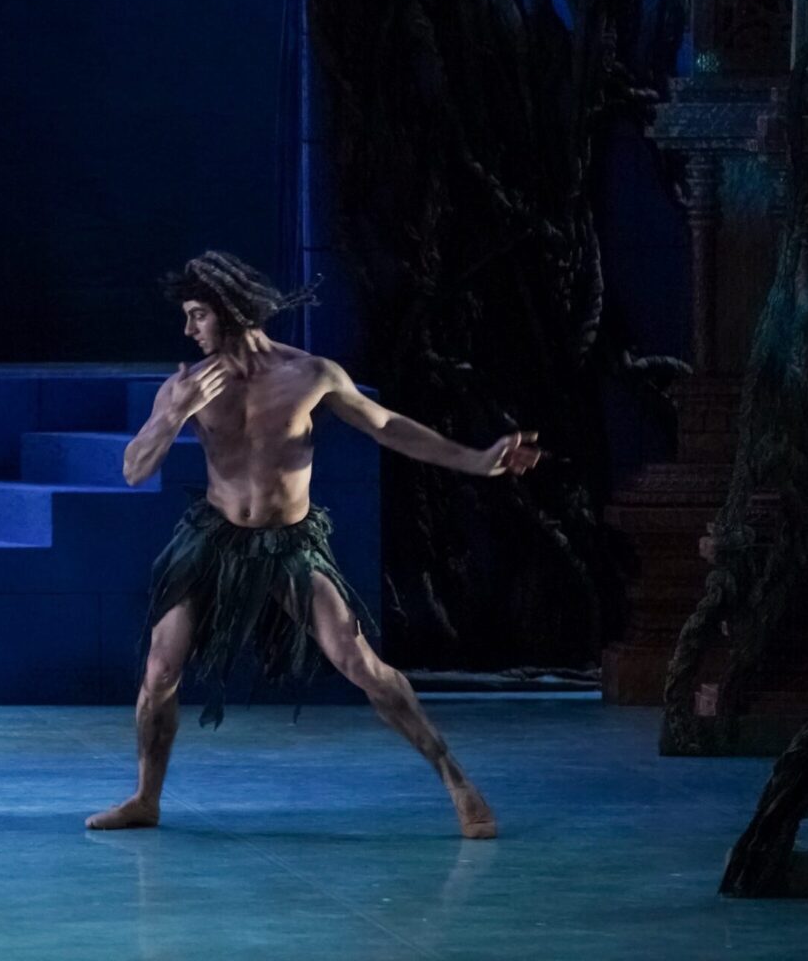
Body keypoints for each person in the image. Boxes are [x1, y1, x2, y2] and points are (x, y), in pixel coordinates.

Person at [85, 251, 541, 839]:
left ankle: (456, 780)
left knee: (359, 662)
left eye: (198, 315)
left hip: (289, 544)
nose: (188, 329)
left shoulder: (311, 374)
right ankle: (146, 798)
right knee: (160, 669)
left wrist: (477, 460)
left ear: (231, 311)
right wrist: (174, 415)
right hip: (212, 540)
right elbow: (133, 470)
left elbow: (386, 426)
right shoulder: (186, 387)